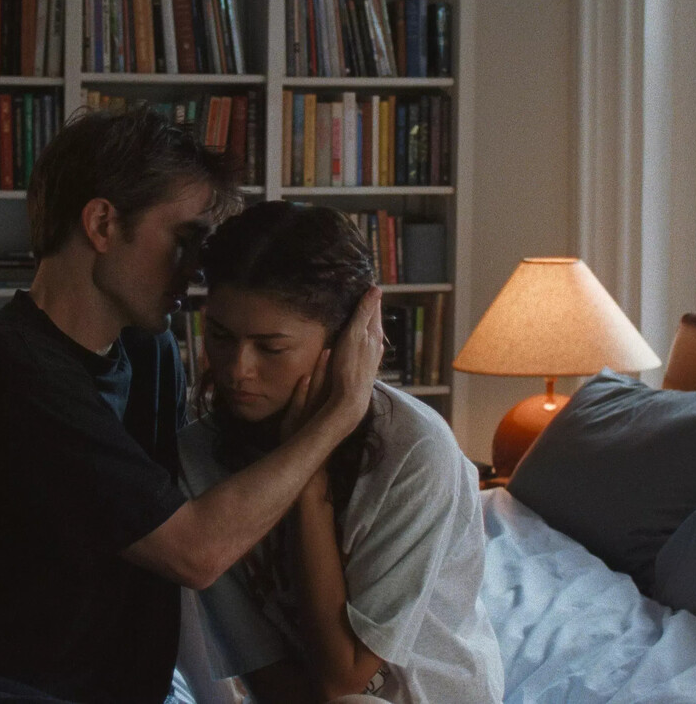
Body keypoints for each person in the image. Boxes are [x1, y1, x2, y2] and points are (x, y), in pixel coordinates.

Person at [0, 110, 384, 704]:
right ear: (101, 224)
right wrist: (338, 415)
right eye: (183, 240)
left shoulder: (150, 352)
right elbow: (195, 551)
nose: (197, 269)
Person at [178, 202, 503, 704]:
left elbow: (343, 680)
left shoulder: (415, 451)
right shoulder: (199, 453)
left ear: (350, 339)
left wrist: (309, 477)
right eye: (221, 337)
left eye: (271, 347)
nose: (238, 369)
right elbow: (260, 670)